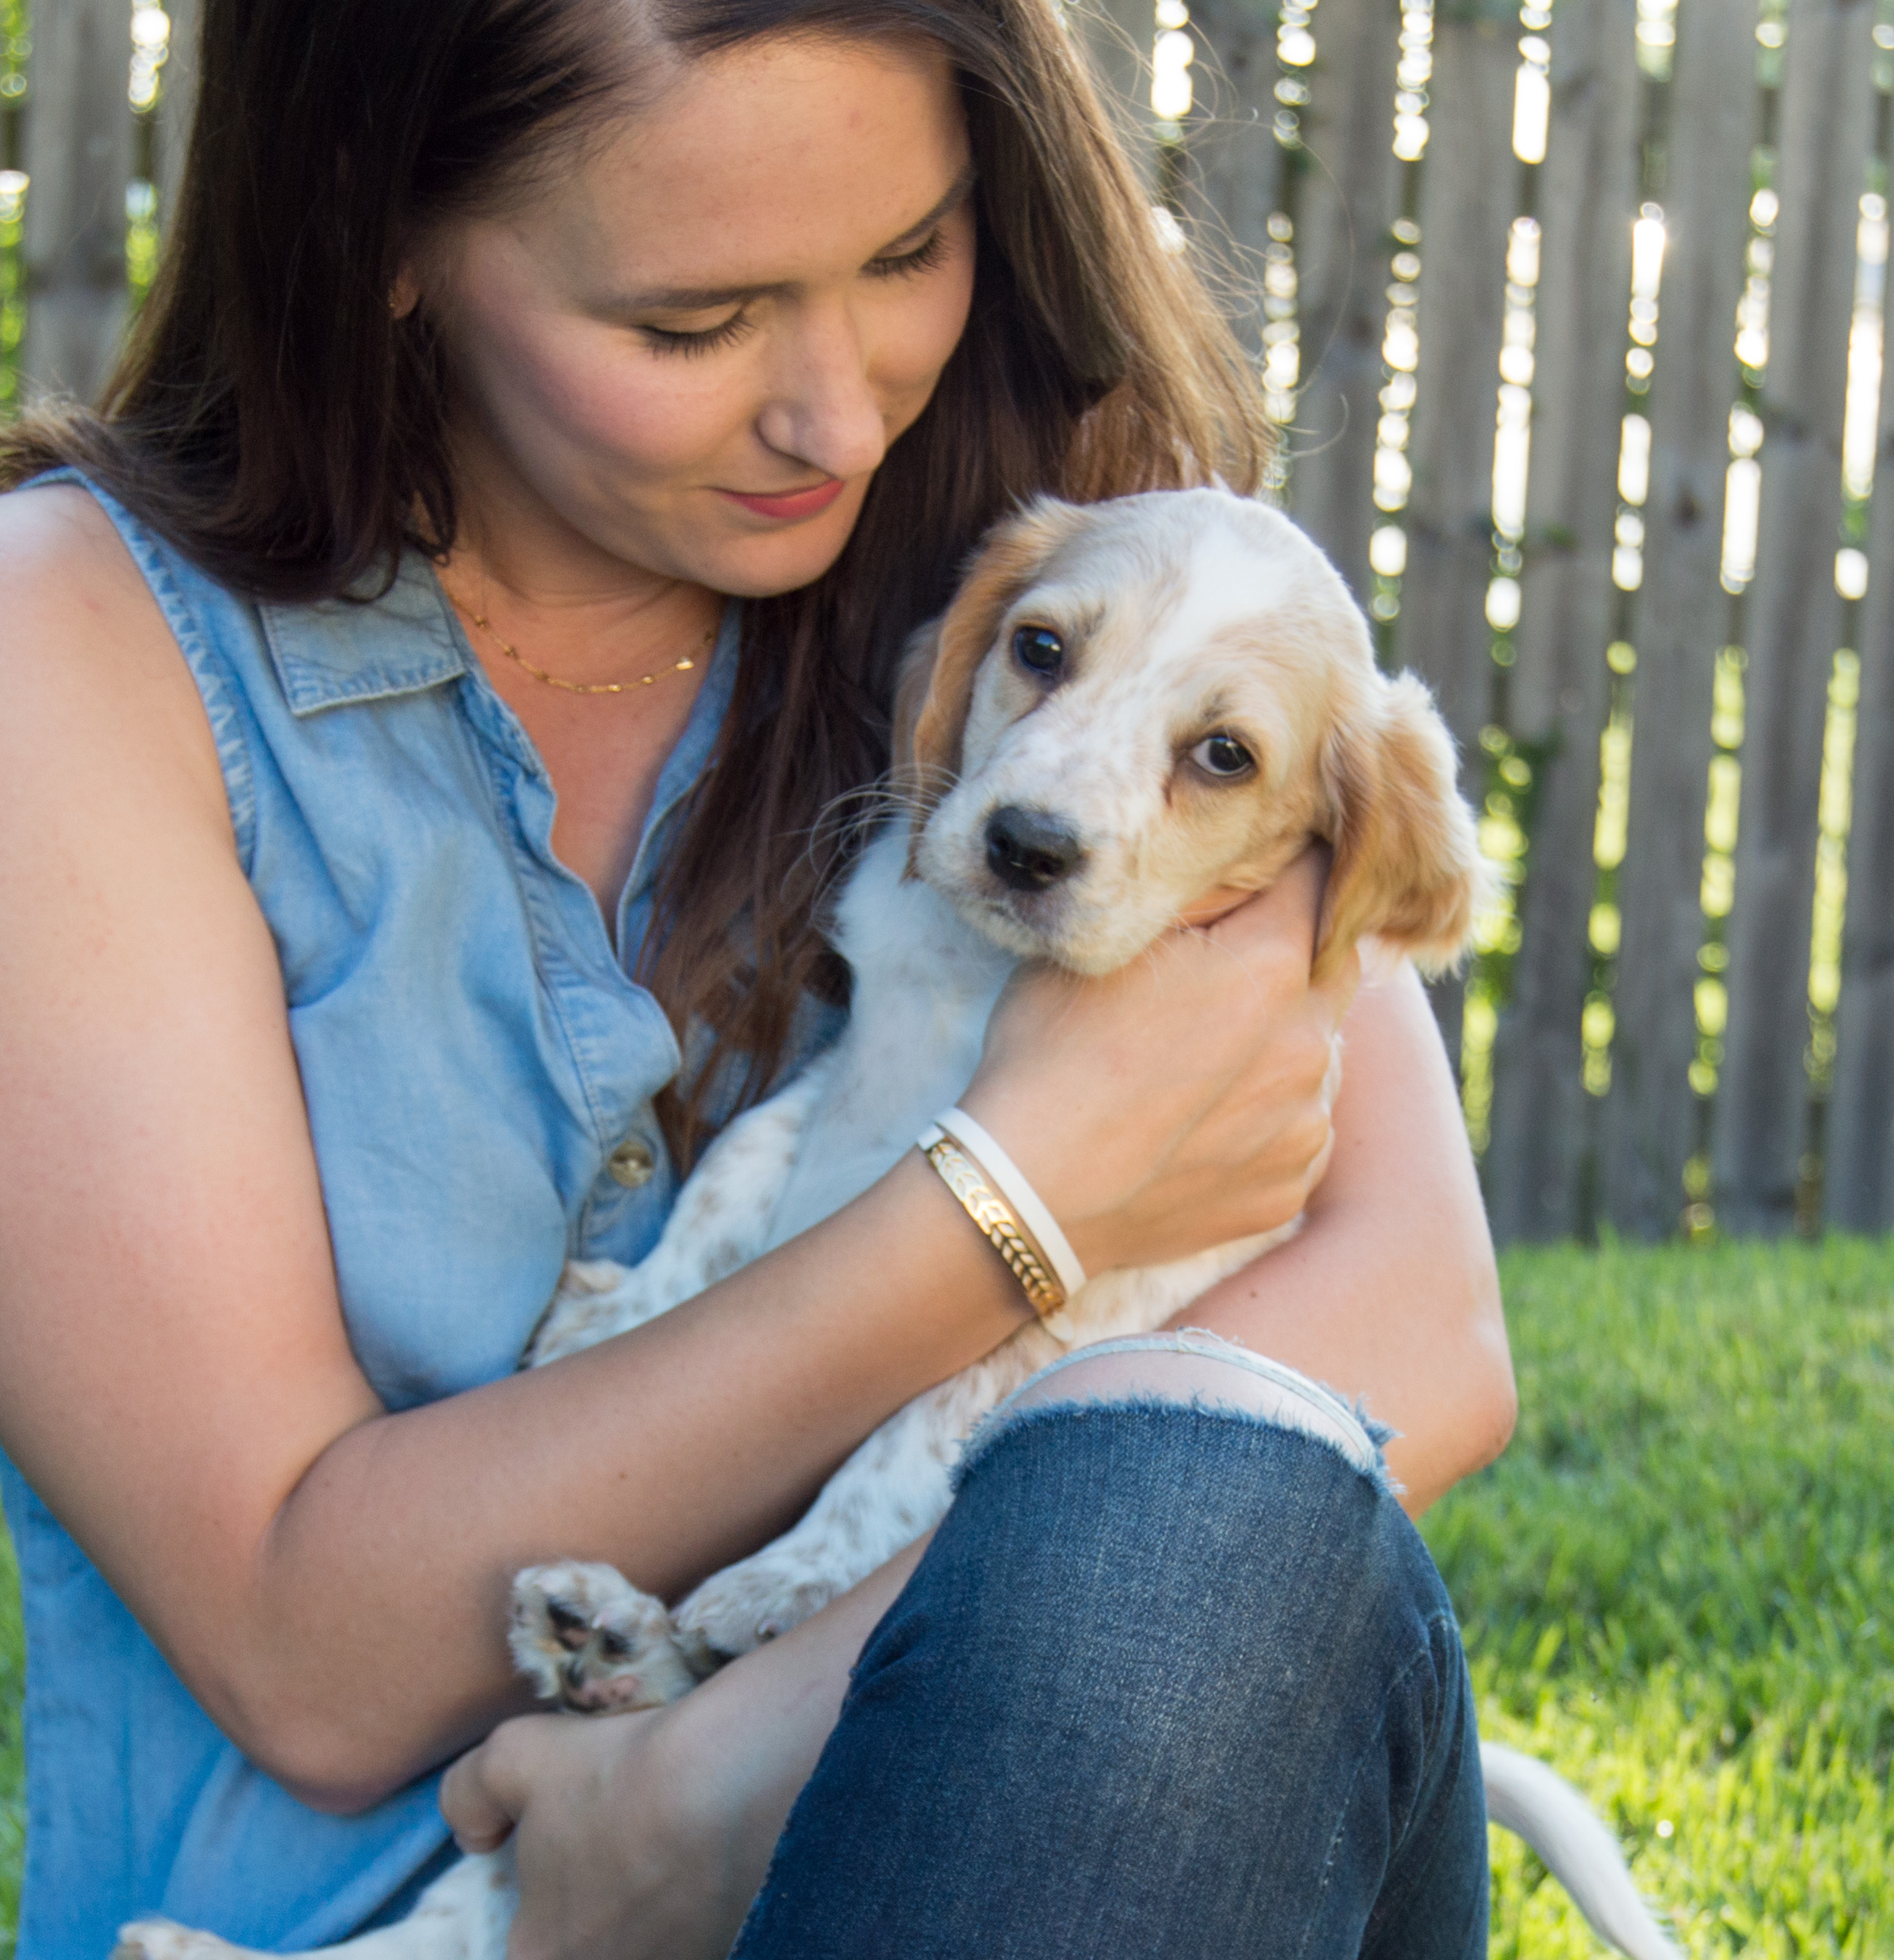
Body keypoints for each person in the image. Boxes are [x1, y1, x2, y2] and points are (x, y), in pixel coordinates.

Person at [0, 2, 1513, 1956]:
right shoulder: (69, 657)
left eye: (908, 253)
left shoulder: (1076, 573)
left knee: (1192, 1516)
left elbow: (1417, 1319)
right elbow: (310, 1642)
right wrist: (1014, 1198)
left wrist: (728, 1775)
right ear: (375, 234)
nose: (842, 416)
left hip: (989, 1865)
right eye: (692, 326)